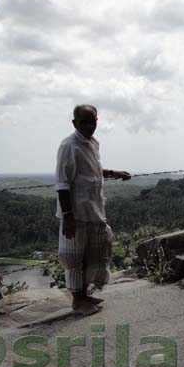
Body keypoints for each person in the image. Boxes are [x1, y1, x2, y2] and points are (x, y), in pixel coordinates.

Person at [55, 104, 131, 315]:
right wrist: (68, 216)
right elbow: (62, 183)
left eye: (92, 121)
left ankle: (84, 294)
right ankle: (77, 301)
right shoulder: (69, 145)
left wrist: (113, 172)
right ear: (74, 123)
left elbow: (92, 170)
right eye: (84, 122)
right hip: (76, 213)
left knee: (92, 255)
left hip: (93, 210)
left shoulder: (92, 143)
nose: (89, 126)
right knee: (74, 258)